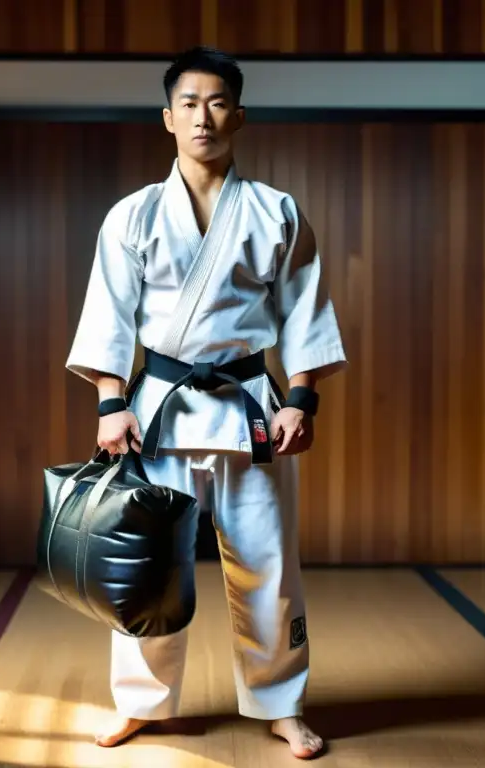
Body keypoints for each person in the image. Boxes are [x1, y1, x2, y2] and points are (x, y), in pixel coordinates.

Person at [65, 45, 347, 760]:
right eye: (189, 103)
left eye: (217, 102)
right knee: (147, 568)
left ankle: (281, 705)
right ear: (168, 118)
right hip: (158, 414)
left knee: (268, 566)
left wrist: (302, 401)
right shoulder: (131, 216)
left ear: (239, 116)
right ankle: (141, 703)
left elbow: (305, 312)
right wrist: (110, 402)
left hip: (251, 409)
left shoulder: (276, 212)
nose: (203, 116)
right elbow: (110, 313)